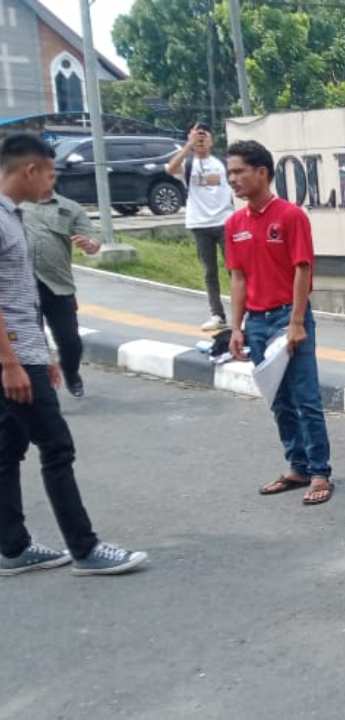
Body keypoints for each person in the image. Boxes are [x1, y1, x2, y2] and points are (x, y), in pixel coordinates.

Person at [0, 133, 148, 577]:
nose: (51, 182)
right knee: (57, 447)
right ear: (29, 171)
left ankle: (12, 547)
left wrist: (42, 354)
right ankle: (85, 549)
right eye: (49, 172)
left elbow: (21, 297)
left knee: (7, 450)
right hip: (12, 360)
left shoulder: (13, 216)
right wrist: (11, 363)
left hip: (24, 353)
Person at [224, 140, 334, 506]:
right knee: (279, 399)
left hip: (289, 315)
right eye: (230, 174)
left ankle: (320, 471)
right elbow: (237, 278)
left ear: (262, 172)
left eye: (239, 171)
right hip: (256, 322)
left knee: (306, 397)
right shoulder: (234, 224)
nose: (234, 180)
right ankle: (297, 466)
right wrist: (236, 327)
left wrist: (297, 322)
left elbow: (303, 268)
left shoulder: (290, 216)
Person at [21, 189, 100, 398]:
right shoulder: (13, 203)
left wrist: (89, 245)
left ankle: (71, 373)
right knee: (34, 341)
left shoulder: (70, 207)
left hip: (58, 285)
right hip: (23, 285)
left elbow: (93, 242)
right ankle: (44, 390)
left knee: (70, 340)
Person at [168, 121, 234, 332]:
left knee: (235, 270)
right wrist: (188, 146)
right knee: (209, 272)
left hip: (224, 222)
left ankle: (243, 313)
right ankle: (217, 314)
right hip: (199, 223)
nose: (201, 140)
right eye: (197, 136)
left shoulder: (222, 163)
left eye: (204, 136)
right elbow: (170, 169)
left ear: (212, 140)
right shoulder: (187, 164)